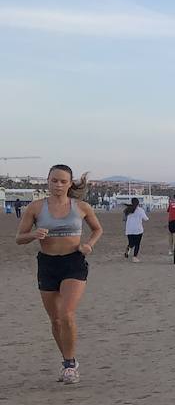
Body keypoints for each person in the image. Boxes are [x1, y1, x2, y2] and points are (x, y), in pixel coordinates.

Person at [15, 164, 103, 384]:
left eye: (63, 181)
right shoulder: (35, 208)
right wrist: (34, 234)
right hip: (47, 264)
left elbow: (97, 229)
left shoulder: (81, 206)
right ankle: (66, 360)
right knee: (55, 319)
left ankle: (71, 366)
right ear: (47, 181)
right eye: (54, 180)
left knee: (66, 314)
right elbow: (19, 238)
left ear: (70, 183)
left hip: (73, 262)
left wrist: (89, 245)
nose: (58, 185)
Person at [123, 197, 149, 262]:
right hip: (138, 230)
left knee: (131, 243)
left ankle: (128, 248)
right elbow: (146, 219)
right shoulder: (140, 210)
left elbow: (124, 219)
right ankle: (134, 257)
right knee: (137, 244)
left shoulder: (127, 210)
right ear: (138, 203)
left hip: (129, 229)